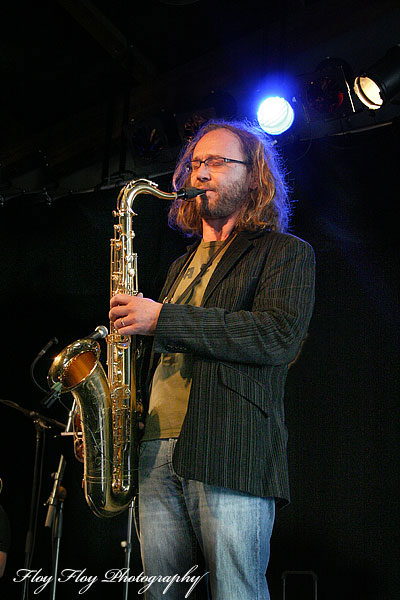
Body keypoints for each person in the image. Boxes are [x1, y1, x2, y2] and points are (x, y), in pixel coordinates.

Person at [109, 119, 315, 599]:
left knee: (235, 592)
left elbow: (277, 335)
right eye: (195, 163)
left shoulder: (284, 253)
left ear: (254, 176)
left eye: (218, 162)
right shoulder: (179, 266)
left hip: (232, 447)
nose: (201, 172)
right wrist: (113, 428)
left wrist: (163, 319)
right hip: (154, 449)